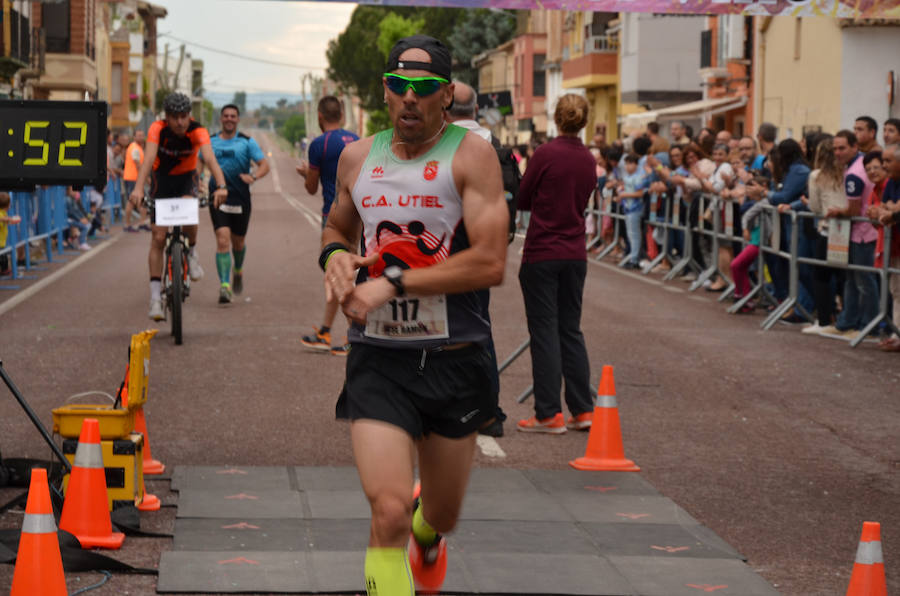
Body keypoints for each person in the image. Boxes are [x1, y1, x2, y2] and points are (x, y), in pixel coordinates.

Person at [320, 35, 507, 596]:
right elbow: (336, 227)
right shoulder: (358, 158)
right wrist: (334, 260)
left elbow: (491, 262)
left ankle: (433, 530)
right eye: (398, 86)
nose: (409, 98)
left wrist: (393, 283)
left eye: (423, 89)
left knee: (437, 515)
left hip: (456, 359)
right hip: (380, 359)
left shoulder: (471, 155)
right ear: (385, 90)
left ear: (445, 95)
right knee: (390, 511)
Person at [516, 93, 595, 434]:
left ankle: (548, 412)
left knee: (544, 330)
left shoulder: (546, 153)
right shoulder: (588, 158)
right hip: (575, 250)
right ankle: (582, 409)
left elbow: (523, 197)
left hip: (544, 249)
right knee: (570, 329)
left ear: (556, 119)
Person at [443, 80, 510, 438]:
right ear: (476, 110)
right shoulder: (494, 143)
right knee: (478, 323)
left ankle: (483, 410)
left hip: (453, 245)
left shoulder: (450, 145)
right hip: (488, 243)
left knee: (460, 327)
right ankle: (485, 409)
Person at [129, 92, 228, 321]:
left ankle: (192, 253)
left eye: (184, 116)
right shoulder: (157, 129)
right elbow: (148, 159)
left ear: (189, 116)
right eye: (175, 117)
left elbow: (210, 159)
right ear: (167, 117)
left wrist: (221, 185)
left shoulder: (198, 131)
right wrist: (137, 189)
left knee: (190, 213)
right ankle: (155, 298)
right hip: (161, 181)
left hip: (186, 180)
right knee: (157, 237)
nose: (180, 122)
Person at [297, 96, 358, 353]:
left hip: (333, 217)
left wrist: (306, 174)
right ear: (342, 115)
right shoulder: (357, 141)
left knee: (339, 274)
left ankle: (354, 336)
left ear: (320, 116)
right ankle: (325, 330)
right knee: (342, 273)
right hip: (360, 214)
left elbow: (311, 188)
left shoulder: (319, 145)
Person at [202, 104, 270, 304]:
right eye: (226, 116)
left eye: (233, 116)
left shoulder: (247, 143)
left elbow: (264, 165)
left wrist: (254, 176)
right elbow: (198, 163)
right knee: (223, 240)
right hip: (218, 197)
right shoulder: (210, 142)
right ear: (221, 119)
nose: (229, 119)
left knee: (238, 242)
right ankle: (225, 286)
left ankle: (237, 270)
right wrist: (197, 179)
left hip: (241, 198)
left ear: (238, 119)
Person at [819, 130, 877, 341]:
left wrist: (837, 211)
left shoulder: (854, 173)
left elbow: (853, 210)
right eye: (835, 148)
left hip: (863, 233)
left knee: (863, 279)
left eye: (842, 148)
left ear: (854, 147)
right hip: (861, 232)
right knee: (852, 279)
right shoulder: (859, 164)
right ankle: (847, 322)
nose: (837, 152)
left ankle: (869, 326)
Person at [803, 137, 845, 335]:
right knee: (845, 276)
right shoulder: (848, 172)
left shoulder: (816, 175)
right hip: (849, 229)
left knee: (820, 276)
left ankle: (824, 320)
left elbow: (815, 207)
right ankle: (846, 319)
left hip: (828, 228)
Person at [871, 143, 900, 350]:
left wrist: (891, 210)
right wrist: (888, 209)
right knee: (896, 290)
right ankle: (897, 333)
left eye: (888, 161)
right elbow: (883, 208)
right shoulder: (891, 182)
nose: (883, 165)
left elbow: (892, 210)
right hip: (895, 245)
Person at [123, 129, 150, 232]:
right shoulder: (134, 148)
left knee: (141, 201)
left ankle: (142, 223)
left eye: (142, 135)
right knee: (131, 201)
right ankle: (127, 224)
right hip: (132, 178)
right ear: (134, 137)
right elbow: (137, 164)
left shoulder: (139, 148)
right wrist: (146, 178)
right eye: (138, 135)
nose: (141, 137)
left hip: (137, 179)